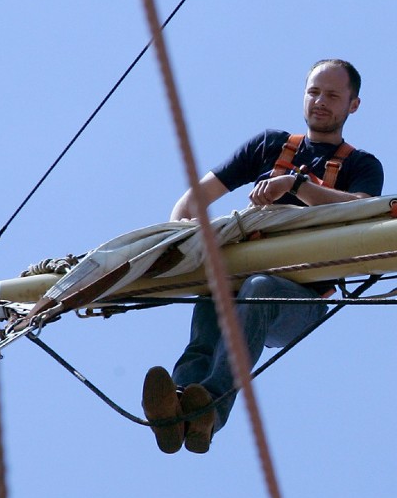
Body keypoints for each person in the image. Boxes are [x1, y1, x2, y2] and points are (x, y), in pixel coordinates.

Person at [142, 59, 384, 454]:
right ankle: (180, 404)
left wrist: (295, 185)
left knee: (257, 288)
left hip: (299, 300)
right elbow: (192, 202)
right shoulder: (269, 146)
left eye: (333, 96)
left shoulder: (361, 165)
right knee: (214, 284)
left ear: (352, 105)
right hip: (240, 276)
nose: (320, 102)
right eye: (314, 92)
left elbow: (360, 208)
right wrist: (179, 244)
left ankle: (212, 408)